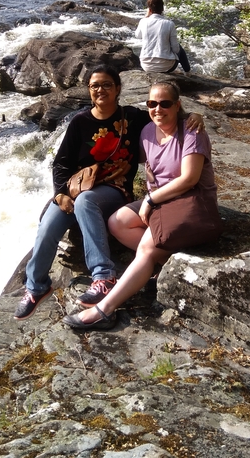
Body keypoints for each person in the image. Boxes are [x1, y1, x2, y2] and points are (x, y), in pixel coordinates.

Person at [14, 66, 204, 320]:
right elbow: (61, 163)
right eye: (94, 86)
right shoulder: (80, 121)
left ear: (117, 89)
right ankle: (36, 287)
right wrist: (60, 193)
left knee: (86, 201)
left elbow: (165, 115)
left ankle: (103, 277)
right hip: (77, 188)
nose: (100, 90)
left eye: (106, 85)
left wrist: (193, 115)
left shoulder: (133, 118)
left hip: (113, 191)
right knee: (49, 224)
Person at [63, 79, 220, 331]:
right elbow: (131, 155)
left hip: (192, 199)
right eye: (152, 103)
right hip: (160, 200)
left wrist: (150, 199)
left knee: (146, 247)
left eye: (165, 103)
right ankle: (161, 263)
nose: (158, 109)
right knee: (117, 222)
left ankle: (104, 310)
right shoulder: (147, 131)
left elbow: (189, 179)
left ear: (177, 105)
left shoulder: (191, 131)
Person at [136, 0, 190, 74]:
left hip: (146, 65)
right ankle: (188, 72)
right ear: (162, 9)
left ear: (149, 10)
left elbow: (138, 35)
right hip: (166, 66)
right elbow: (176, 49)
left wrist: (145, 17)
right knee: (179, 47)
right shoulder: (169, 24)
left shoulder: (143, 21)